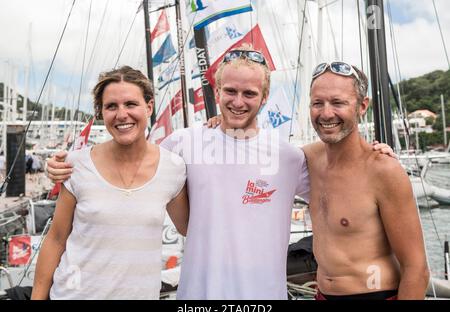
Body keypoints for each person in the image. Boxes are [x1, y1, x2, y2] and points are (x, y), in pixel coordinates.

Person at [45, 50, 395, 299]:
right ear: (216, 91)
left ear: (265, 96)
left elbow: (339, 180)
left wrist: (375, 154)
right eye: (230, 91)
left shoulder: (288, 157)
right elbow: (129, 164)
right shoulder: (182, 144)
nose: (238, 101)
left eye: (249, 93)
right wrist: (64, 165)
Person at [31, 66, 188, 300]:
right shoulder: (76, 165)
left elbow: (190, 230)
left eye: (130, 104)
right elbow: (56, 239)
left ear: (149, 106)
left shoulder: (173, 168)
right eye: (111, 106)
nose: (121, 114)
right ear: (101, 112)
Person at [303, 62, 429, 300]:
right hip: (322, 294)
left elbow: (416, 269)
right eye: (317, 103)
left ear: (362, 106)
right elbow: (256, 154)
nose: (326, 113)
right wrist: (218, 127)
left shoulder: (383, 171)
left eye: (338, 102)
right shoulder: (307, 159)